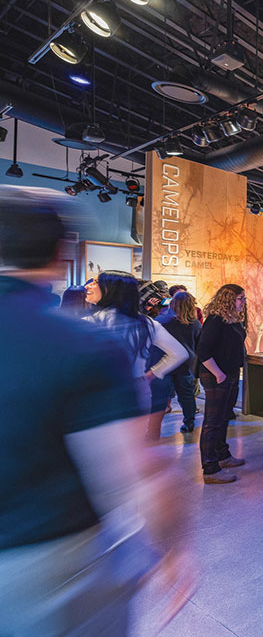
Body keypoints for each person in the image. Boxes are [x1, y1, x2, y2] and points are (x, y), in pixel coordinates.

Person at [0, 192, 192, 635]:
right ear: (60, 252)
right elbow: (134, 471)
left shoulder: (91, 332)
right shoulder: (82, 341)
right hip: (54, 569)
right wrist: (171, 548)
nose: (89, 287)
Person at [84, 270, 187, 417]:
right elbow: (179, 353)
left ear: (111, 290)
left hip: (99, 395)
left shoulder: (87, 323)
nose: (88, 286)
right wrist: (152, 374)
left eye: (95, 282)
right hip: (137, 393)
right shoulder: (148, 323)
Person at [197, 284, 248, 484]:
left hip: (231, 374)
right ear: (228, 299)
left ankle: (222, 454)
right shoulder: (215, 321)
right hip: (216, 376)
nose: (243, 302)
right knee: (212, 421)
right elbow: (203, 351)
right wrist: (218, 374)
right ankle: (210, 468)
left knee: (224, 416)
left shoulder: (233, 320)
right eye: (240, 298)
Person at [147, 291, 202, 438]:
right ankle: (189, 423)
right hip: (185, 365)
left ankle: (153, 432)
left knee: (159, 399)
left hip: (164, 365)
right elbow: (198, 345)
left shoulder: (161, 320)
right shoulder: (195, 324)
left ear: (172, 303)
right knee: (187, 396)